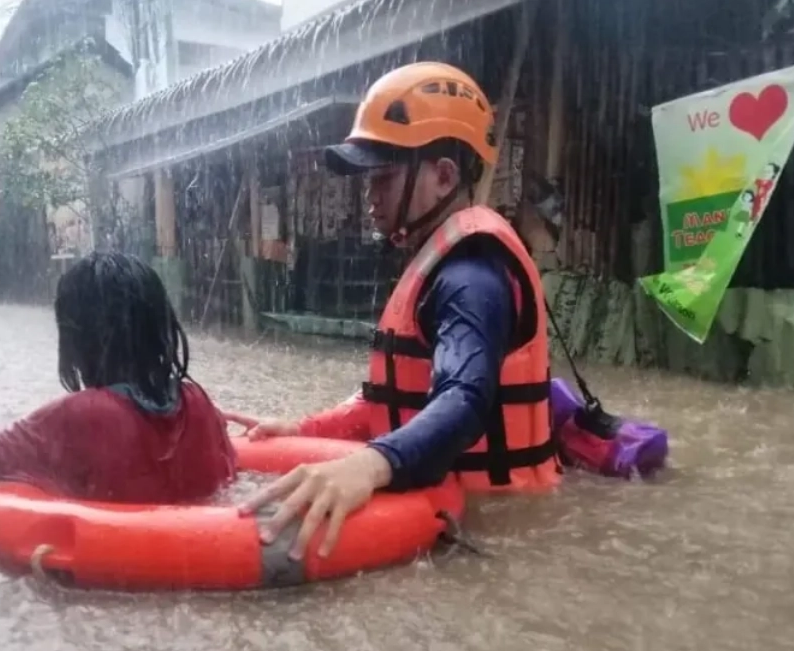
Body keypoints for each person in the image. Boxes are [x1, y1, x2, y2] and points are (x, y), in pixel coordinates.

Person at [236, 62, 559, 561]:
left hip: (498, 529)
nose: (370, 198)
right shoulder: (439, 263)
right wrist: (303, 429)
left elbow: (464, 398)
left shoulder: (470, 278)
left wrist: (368, 466)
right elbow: (392, 401)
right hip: (460, 507)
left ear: (444, 176)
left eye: (383, 179)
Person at [0, 251, 236, 504]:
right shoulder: (198, 403)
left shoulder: (79, 415)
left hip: (111, 571)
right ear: (162, 327)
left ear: (75, 339)